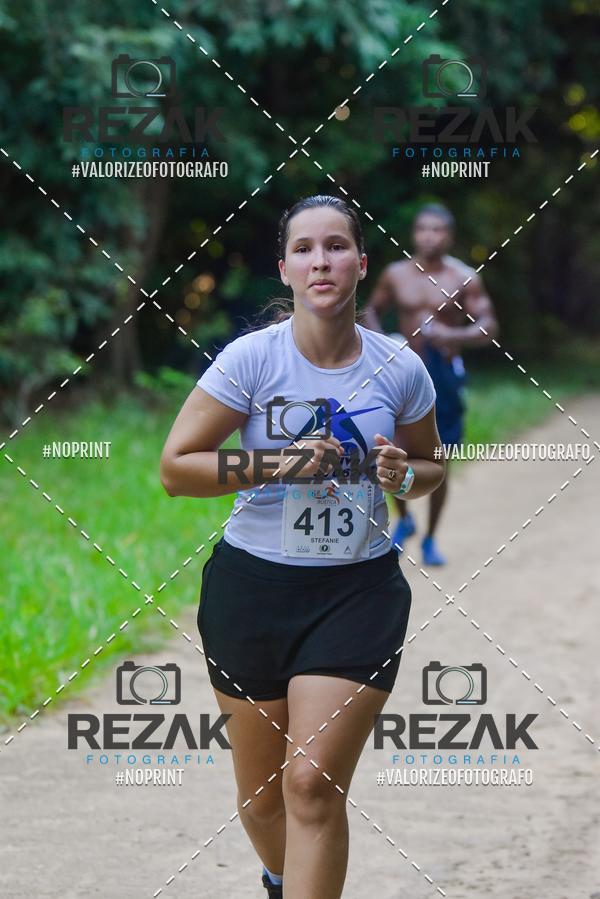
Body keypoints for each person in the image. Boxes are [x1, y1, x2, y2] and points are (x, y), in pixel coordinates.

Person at [159, 195, 445, 899]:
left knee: (311, 784)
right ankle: (281, 880)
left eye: (337, 246)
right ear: (285, 268)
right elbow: (177, 468)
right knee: (262, 800)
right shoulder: (252, 360)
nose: (322, 261)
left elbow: (430, 466)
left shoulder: (399, 366)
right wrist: (275, 464)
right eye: (305, 249)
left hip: (358, 592)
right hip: (252, 590)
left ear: (362, 264)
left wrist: (403, 475)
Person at [363, 203, 499, 565]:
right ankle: (405, 519)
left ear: (449, 236)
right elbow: (370, 310)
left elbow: (488, 326)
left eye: (437, 229)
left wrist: (452, 334)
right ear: (414, 234)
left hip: (444, 375)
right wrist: (386, 343)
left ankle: (430, 539)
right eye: (423, 229)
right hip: (402, 374)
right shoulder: (395, 274)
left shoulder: (464, 277)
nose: (429, 236)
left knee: (441, 458)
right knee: (391, 448)